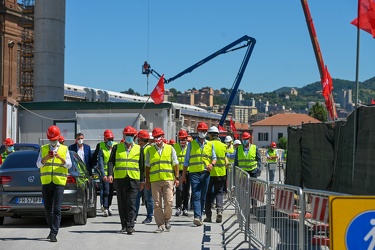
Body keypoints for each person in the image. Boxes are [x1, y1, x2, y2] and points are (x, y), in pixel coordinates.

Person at [36, 125, 72, 242]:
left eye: (54, 139)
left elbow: (69, 165)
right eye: (51, 140)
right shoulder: (43, 148)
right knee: (47, 209)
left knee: (57, 209)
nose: (52, 142)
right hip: (46, 182)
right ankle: (52, 229)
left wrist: (60, 158)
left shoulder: (64, 149)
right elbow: (38, 165)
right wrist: (45, 158)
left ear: (58, 138)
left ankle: (54, 233)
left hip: (59, 183)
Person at [107, 126, 143, 235]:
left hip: (133, 179)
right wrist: (110, 174)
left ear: (134, 137)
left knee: (131, 203)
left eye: (131, 136)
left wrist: (143, 180)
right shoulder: (117, 148)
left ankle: (130, 225)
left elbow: (141, 165)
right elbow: (110, 162)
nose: (129, 137)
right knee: (122, 203)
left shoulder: (139, 148)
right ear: (124, 136)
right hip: (120, 179)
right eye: (127, 135)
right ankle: (124, 224)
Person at [181, 122, 217, 226]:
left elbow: (214, 158)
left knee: (203, 196)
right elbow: (186, 161)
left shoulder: (210, 144)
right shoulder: (191, 144)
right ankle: (197, 216)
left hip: (206, 173)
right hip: (194, 173)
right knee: (196, 194)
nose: (202, 133)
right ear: (197, 132)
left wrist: (212, 164)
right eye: (201, 131)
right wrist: (183, 175)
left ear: (207, 132)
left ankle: (200, 216)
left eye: (204, 131)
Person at [145, 127, 179, 233]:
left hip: (168, 179)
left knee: (169, 202)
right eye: (155, 137)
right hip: (155, 180)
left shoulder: (170, 148)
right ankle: (160, 224)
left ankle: (167, 219)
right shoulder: (150, 150)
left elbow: (176, 164)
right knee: (157, 203)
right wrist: (147, 180)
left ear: (163, 137)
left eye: (159, 136)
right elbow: (147, 166)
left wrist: (176, 178)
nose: (157, 139)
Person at [204, 126, 228, 223]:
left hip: (209, 173)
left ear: (209, 135)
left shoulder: (207, 144)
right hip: (221, 173)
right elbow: (225, 160)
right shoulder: (223, 146)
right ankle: (219, 211)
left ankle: (208, 216)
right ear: (218, 135)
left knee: (208, 194)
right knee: (219, 193)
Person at [135, 130, 154, 224]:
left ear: (141, 140)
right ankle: (146, 216)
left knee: (148, 198)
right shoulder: (148, 148)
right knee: (145, 197)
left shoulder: (146, 149)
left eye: (138, 139)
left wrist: (145, 179)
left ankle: (149, 216)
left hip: (146, 177)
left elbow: (145, 166)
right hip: (143, 177)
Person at [96, 129, 117, 216]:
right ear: (105, 139)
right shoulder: (102, 147)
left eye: (112, 139)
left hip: (113, 173)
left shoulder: (116, 146)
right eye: (109, 139)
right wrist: (103, 174)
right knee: (106, 191)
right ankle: (105, 207)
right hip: (104, 173)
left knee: (111, 191)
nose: (111, 141)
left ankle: (108, 206)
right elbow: (100, 162)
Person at [173, 129, 190, 217]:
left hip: (188, 170)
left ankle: (185, 208)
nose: (182, 141)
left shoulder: (189, 147)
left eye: (184, 139)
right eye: (181, 139)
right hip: (179, 171)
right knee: (179, 189)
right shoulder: (175, 147)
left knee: (186, 190)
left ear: (187, 138)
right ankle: (178, 207)